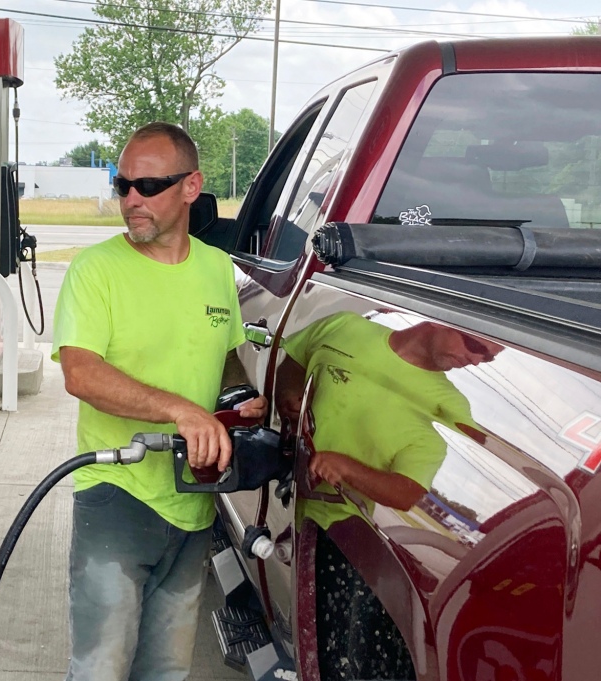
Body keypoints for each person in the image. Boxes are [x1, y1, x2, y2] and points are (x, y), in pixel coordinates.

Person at [52, 122, 267, 681]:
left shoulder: (218, 270)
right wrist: (180, 409)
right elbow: (81, 372)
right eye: (122, 185)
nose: (129, 200)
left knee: (168, 670)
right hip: (117, 495)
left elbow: (226, 361)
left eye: (146, 187)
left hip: (194, 503)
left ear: (191, 187)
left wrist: (244, 400)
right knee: (101, 668)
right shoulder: (95, 270)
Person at [273, 310, 502, 680]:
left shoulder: (451, 408)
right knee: (306, 632)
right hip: (297, 507)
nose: (477, 360)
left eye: (489, 357)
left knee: (338, 660)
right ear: (444, 317)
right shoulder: (344, 327)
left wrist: (347, 468)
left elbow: (406, 492)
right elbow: (295, 360)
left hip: (349, 540)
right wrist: (287, 394)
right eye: (475, 345)